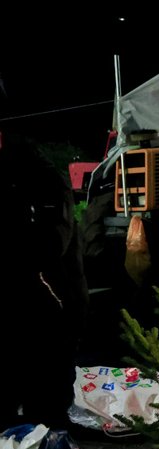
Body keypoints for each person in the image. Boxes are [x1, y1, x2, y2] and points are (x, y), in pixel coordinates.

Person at [0, 130, 89, 431]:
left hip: (45, 298)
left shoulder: (36, 175)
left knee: (46, 397)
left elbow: (51, 243)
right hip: (25, 297)